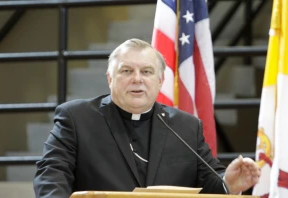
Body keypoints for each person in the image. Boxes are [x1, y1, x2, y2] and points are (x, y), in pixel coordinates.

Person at [34, 38, 260, 198]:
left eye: (147, 71)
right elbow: (51, 174)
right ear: (110, 78)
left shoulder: (186, 126)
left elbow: (209, 182)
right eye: (126, 71)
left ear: (160, 81)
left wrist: (228, 184)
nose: (137, 79)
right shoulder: (76, 118)